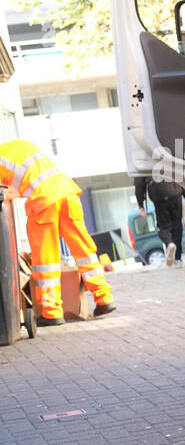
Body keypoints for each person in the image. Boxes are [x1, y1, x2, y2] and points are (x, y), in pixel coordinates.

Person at [0, 139, 115, 325]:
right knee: (84, 251)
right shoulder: (19, 146)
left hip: (43, 202)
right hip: (67, 194)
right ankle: (104, 298)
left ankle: (51, 312)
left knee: (46, 261)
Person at [134, 175, 185, 266]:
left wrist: (141, 205)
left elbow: (139, 184)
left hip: (159, 196)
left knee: (163, 228)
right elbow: (180, 174)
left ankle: (169, 243)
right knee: (177, 227)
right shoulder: (168, 160)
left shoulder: (143, 161)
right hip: (175, 192)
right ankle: (177, 259)